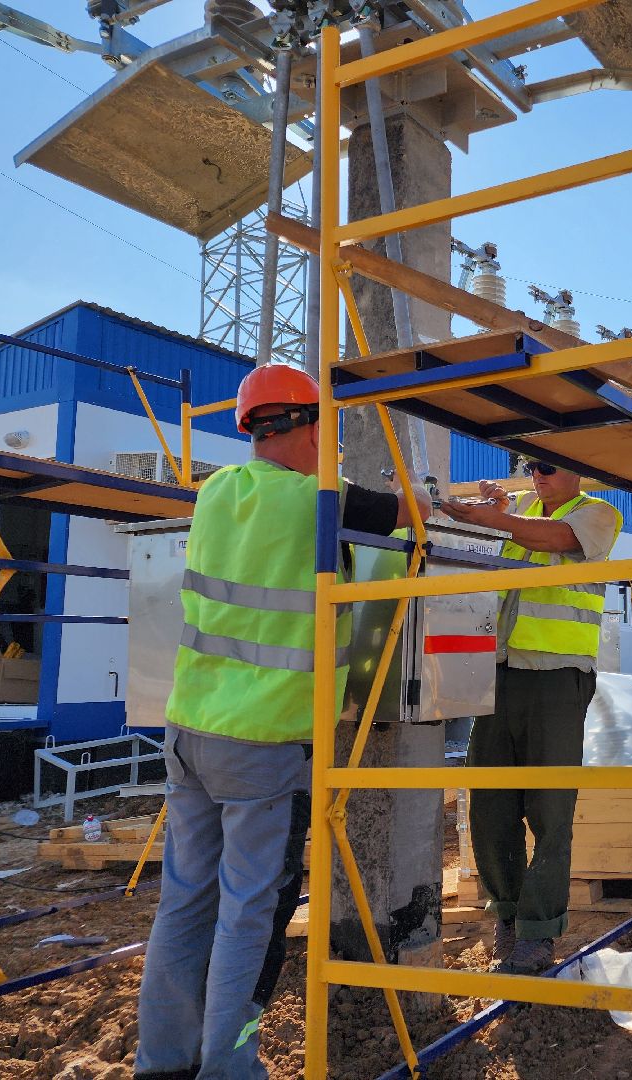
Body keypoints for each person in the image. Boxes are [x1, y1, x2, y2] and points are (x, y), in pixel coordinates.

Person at [135, 365, 430, 1080]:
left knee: (185, 902)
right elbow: (410, 511)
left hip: (191, 729)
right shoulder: (320, 501)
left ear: (252, 428)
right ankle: (228, 1071)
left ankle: (163, 1063)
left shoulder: (216, 492)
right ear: (311, 427)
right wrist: (426, 491)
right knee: (250, 914)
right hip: (265, 742)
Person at [441, 459, 622, 974]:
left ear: (577, 472)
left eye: (547, 467)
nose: (537, 475)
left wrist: (494, 517)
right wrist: (493, 513)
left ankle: (538, 932)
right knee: (489, 804)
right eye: (531, 467)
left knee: (550, 810)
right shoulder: (517, 510)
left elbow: (552, 538)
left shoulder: (596, 514)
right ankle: (508, 913)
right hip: (499, 672)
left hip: (557, 677)